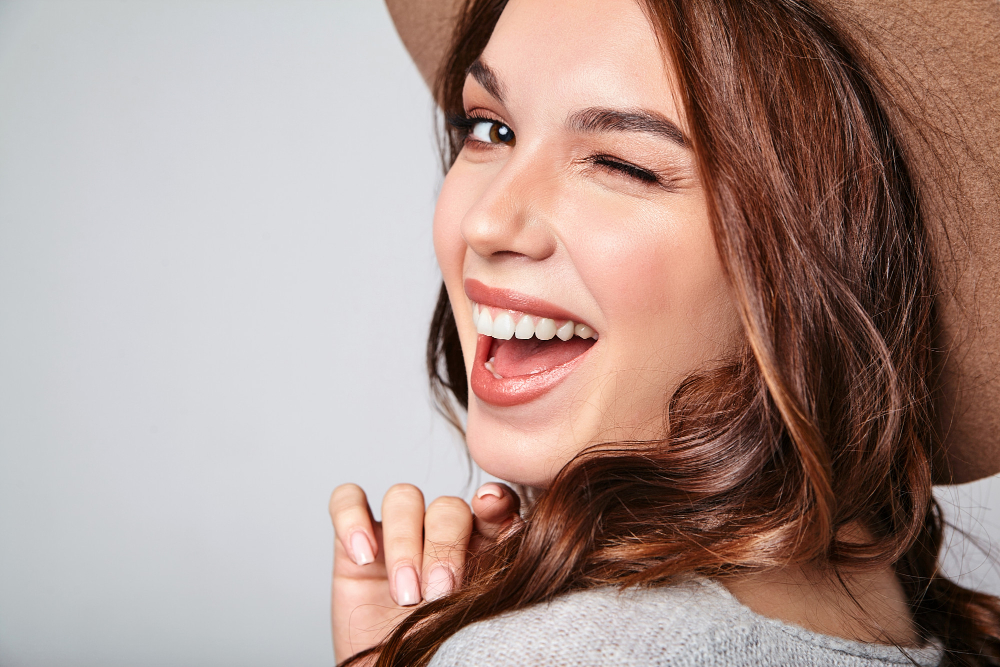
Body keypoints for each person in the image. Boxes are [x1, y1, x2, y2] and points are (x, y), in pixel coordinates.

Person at [330, 0, 1000, 664]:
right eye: (491, 129)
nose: (486, 222)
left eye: (621, 164)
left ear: (819, 252)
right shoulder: (908, 628)